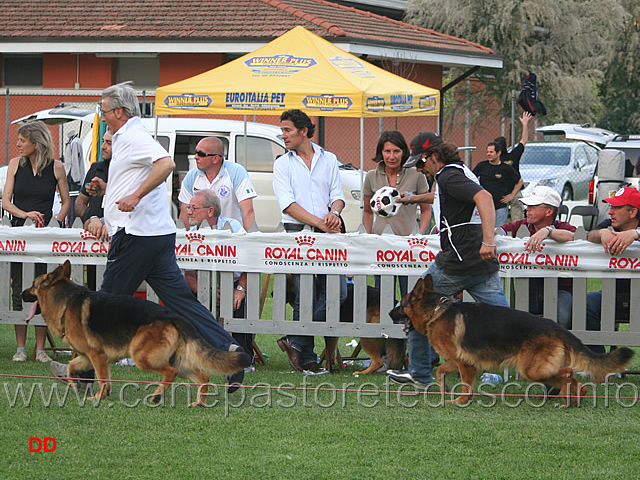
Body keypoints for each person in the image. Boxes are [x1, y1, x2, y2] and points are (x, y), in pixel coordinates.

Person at [50, 82, 244, 392]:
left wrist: (136, 196)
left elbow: (166, 163)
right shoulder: (128, 137)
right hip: (155, 235)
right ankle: (231, 352)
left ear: (118, 112)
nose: (101, 113)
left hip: (136, 236)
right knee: (182, 302)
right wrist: (110, 190)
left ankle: (82, 375)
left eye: (103, 108)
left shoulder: (134, 136)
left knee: (100, 308)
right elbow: (139, 173)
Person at [386, 134, 509, 388]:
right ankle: (544, 368)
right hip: (480, 265)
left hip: (458, 262)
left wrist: (489, 240)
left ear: (434, 156)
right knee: (507, 320)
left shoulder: (448, 176)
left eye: (420, 164)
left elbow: (484, 198)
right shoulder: (459, 171)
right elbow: (446, 198)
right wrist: (413, 199)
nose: (420, 170)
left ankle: (420, 374)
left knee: (412, 308)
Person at [272, 109, 347, 374]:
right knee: (305, 296)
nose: (283, 136)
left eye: (287, 130)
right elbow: (288, 205)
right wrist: (320, 223)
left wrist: (334, 213)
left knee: (338, 292)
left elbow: (337, 195)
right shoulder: (282, 163)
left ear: (304, 131)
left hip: (326, 235)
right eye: (282, 130)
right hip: (298, 234)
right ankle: (308, 359)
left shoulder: (329, 159)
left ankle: (295, 341)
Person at [2, 121, 71, 362]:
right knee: (18, 289)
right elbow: (6, 201)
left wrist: (57, 221)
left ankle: (40, 349)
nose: (18, 145)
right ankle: (21, 347)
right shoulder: (14, 165)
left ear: (36, 143)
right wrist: (25, 215)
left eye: (22, 140)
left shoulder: (57, 167)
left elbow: (66, 202)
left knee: (44, 291)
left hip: (45, 238)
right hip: (20, 236)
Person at [184, 190, 253, 362]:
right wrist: (206, 292)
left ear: (210, 211)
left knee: (241, 303)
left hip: (235, 283)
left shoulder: (233, 227)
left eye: (193, 208)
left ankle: (243, 356)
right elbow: (189, 274)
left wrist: (240, 289)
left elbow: (250, 261)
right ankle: (198, 353)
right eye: (188, 207)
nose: (189, 212)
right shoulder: (191, 234)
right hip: (203, 285)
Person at [363, 130, 430, 296]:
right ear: (381, 153)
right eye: (387, 151)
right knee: (383, 296)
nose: (391, 157)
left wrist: (420, 234)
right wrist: (369, 236)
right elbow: (367, 211)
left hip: (409, 247)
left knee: (412, 296)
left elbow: (426, 209)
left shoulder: (416, 175)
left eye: (396, 151)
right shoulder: (371, 176)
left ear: (403, 153)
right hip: (382, 247)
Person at [499, 185, 576, 327]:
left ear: (549, 211)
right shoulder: (521, 226)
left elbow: (575, 237)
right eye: (527, 206)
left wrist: (548, 232)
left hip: (561, 290)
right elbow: (499, 232)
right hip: (526, 288)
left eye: (533, 206)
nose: (527, 209)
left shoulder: (564, 227)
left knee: (562, 316)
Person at [585, 187, 640, 354]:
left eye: (616, 207)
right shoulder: (610, 225)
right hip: (614, 295)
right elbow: (588, 235)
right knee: (585, 302)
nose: (610, 212)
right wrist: (602, 233)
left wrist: (635, 234)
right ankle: (601, 362)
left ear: (632, 212)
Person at [178, 136, 256, 232]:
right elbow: (184, 213)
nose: (196, 157)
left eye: (201, 154)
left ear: (215, 159)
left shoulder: (236, 172)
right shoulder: (191, 176)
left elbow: (248, 211)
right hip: (200, 238)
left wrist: (249, 241)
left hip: (232, 236)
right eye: (196, 152)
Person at [473, 142, 522, 227]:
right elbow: (471, 178)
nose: (488, 154)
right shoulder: (482, 166)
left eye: (491, 152)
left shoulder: (506, 168)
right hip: (484, 205)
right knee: (483, 230)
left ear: (498, 153)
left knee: (499, 232)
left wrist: (511, 196)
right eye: (487, 152)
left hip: (500, 206)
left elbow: (519, 181)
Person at [495, 111, 532, 221]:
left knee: (500, 218)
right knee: (517, 217)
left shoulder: (496, 160)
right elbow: (524, 140)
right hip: (515, 190)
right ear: (506, 146)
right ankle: (517, 234)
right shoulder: (513, 155)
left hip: (502, 191)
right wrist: (525, 124)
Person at [75, 131, 112, 228]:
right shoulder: (96, 169)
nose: (103, 146)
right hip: (92, 236)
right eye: (103, 141)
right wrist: (90, 218)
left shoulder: (128, 173)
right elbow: (80, 202)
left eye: (109, 143)